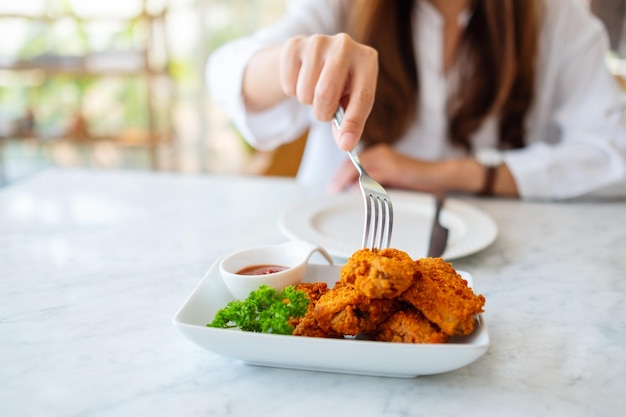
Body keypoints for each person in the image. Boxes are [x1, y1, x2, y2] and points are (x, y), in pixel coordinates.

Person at [207, 0, 626, 200]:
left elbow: (615, 154)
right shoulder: (340, 6)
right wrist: (291, 60)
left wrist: (455, 174)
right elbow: (227, 72)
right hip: (334, 245)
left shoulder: (556, 17)